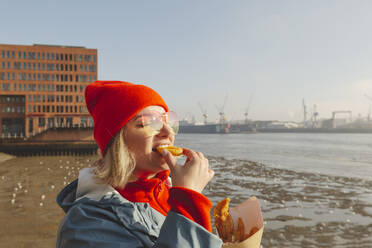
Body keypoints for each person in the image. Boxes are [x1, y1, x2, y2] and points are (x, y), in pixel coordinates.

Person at [56, 81, 223, 247]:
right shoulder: (85, 223)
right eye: (149, 123)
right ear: (118, 140)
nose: (168, 132)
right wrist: (189, 201)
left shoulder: (171, 191)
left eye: (169, 121)